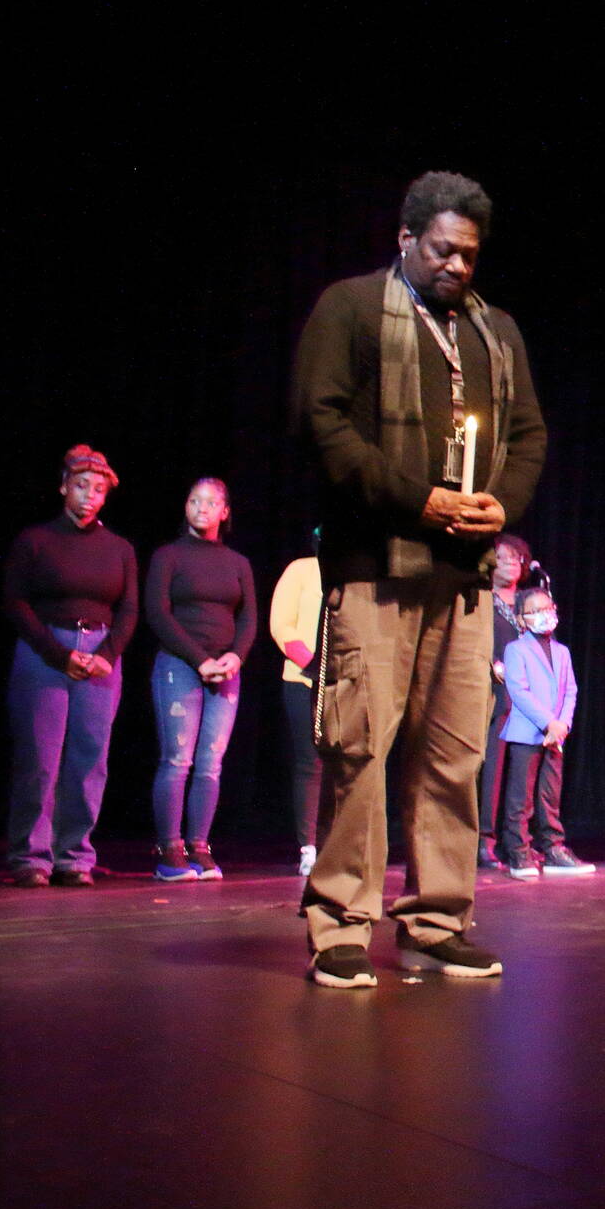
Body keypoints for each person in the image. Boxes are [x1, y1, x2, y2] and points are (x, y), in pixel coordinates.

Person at [290, 169, 548, 988]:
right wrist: (419, 501)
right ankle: (339, 922)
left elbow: (531, 434)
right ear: (405, 240)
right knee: (359, 748)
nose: (459, 266)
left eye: (470, 254)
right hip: (376, 567)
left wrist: (497, 506)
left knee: (453, 754)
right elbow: (321, 423)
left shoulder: (495, 330)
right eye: (443, 249)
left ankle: (437, 918)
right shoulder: (352, 307)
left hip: (464, 576)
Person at [5, 445, 137, 888]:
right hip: (48, 648)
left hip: (100, 653)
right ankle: (31, 856)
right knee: (40, 758)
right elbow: (15, 601)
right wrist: (59, 654)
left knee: (89, 758)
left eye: (98, 490)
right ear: (64, 486)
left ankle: (74, 856)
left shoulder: (119, 548)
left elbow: (130, 608)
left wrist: (107, 655)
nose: (89, 496)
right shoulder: (36, 540)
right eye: (81, 486)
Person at [144, 477, 257, 881]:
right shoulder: (168, 556)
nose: (202, 508)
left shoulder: (238, 563)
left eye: (211, 503)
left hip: (225, 671)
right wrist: (199, 659)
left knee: (210, 765)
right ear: (186, 507)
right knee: (178, 760)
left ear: (224, 512)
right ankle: (169, 849)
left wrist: (234, 656)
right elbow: (157, 613)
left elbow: (248, 618)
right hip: (179, 665)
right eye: (194, 500)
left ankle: (199, 845)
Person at [499, 585, 592, 877]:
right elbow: (519, 689)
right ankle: (518, 851)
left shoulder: (562, 652)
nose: (544, 615)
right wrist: (547, 722)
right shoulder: (515, 649)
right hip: (528, 732)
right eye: (535, 611)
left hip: (555, 736)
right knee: (521, 796)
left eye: (547, 609)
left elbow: (571, 691)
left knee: (549, 794)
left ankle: (553, 848)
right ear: (522, 619)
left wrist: (562, 723)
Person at [269, 534, 324, 876]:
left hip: (347, 684)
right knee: (310, 762)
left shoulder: (358, 579)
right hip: (305, 680)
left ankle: (339, 842)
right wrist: (313, 664)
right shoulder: (301, 570)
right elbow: (281, 624)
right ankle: (309, 846)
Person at [478, 533, 530, 870]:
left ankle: (518, 841)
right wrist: (490, 663)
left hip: (529, 698)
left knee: (523, 774)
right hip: (494, 694)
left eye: (517, 558)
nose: (511, 563)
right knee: (491, 770)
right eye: (504, 556)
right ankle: (484, 840)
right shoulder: (481, 598)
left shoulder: (531, 600)